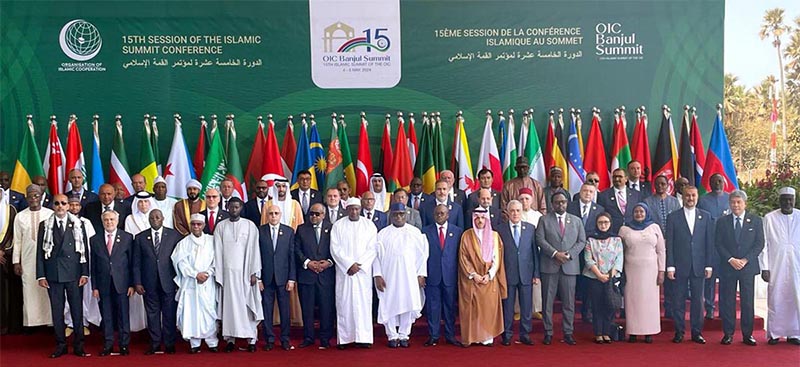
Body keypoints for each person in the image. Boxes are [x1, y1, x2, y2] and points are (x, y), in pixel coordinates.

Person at [36, 194, 90, 358]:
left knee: (77, 311)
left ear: (68, 206)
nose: (60, 206)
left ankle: (79, 345)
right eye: (57, 203)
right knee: (57, 311)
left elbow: (84, 250)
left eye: (63, 203)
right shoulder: (45, 225)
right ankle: (60, 345)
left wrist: (85, 272)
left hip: (74, 274)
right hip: (53, 274)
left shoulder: (78, 224)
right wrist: (41, 275)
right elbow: (40, 252)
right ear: (53, 206)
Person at [374, 203, 428, 348]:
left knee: (408, 303)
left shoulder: (415, 233)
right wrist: (377, 275)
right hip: (388, 276)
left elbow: (423, 256)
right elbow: (376, 257)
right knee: (388, 304)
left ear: (406, 215)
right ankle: (392, 335)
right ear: (391, 215)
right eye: (396, 214)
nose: (399, 217)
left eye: (401, 214)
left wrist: (421, 274)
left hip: (409, 276)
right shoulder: (382, 234)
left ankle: (404, 335)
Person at [536, 192, 586, 345]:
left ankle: (568, 332)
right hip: (550, 266)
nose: (561, 205)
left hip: (569, 267)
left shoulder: (576, 221)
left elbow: (581, 241)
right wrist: (555, 253)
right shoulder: (544, 220)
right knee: (547, 302)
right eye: (557, 202)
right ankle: (548, 332)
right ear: (552, 204)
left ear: (567, 203)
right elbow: (540, 239)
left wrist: (569, 255)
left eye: (563, 202)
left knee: (569, 302)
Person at [214, 197, 264, 353]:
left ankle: (251, 339)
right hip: (228, 275)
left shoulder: (250, 226)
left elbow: (255, 250)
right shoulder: (220, 227)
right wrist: (219, 275)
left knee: (248, 306)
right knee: (230, 308)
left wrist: (255, 272)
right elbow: (217, 251)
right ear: (227, 207)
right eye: (231, 207)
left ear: (241, 207)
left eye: (237, 207)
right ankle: (230, 339)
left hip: (246, 273)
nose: (234, 210)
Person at [666, 185, 713, 344]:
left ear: (697, 197)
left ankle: (696, 332)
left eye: (693, 195)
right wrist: (670, 266)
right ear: (682, 197)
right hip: (680, 265)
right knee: (678, 300)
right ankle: (679, 331)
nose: (690, 198)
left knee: (698, 301)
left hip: (699, 265)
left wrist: (708, 265)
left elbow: (709, 242)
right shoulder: (673, 217)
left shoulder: (705, 216)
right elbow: (670, 244)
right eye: (687, 196)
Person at [714, 190, 762, 346]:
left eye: (738, 202)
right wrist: (730, 259)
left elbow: (759, 244)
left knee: (747, 302)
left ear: (745, 204)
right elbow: (718, 243)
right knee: (728, 302)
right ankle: (728, 333)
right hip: (728, 267)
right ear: (729, 204)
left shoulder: (755, 221)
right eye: (733, 202)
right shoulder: (722, 222)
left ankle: (748, 335)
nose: (735, 205)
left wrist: (745, 260)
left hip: (747, 267)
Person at [330, 198, 378, 349]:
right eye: (351, 209)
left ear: (360, 208)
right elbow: (335, 249)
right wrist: (349, 264)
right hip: (345, 273)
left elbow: (372, 248)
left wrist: (359, 265)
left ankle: (363, 338)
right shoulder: (338, 226)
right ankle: (345, 338)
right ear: (346, 209)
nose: (354, 211)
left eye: (357, 209)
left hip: (362, 273)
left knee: (363, 304)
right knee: (344, 304)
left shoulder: (369, 225)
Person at [133, 209, 181, 354]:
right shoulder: (140, 237)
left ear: (163, 218)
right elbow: (136, 262)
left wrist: (178, 282)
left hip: (168, 282)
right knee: (152, 314)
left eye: (157, 217)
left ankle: (169, 343)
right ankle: (154, 344)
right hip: (148, 283)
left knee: (169, 313)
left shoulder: (174, 235)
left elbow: (178, 261)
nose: (155, 219)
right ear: (148, 219)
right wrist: (137, 282)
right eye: (152, 217)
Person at [458, 207, 507, 346]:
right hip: (472, 280)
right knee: (473, 310)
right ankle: (473, 337)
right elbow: (463, 258)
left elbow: (497, 258)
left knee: (488, 308)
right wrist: (473, 275)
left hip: (489, 279)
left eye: (482, 218)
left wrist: (489, 275)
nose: (480, 221)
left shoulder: (494, 236)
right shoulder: (466, 235)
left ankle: (487, 337)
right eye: (477, 218)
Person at [172, 214, 219, 353]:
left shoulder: (212, 241)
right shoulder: (184, 243)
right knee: (192, 313)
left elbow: (217, 260)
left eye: (199, 224)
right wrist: (194, 274)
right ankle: (195, 344)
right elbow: (180, 262)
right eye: (194, 224)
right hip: (191, 282)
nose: (196, 227)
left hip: (208, 282)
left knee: (209, 311)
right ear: (190, 225)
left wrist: (208, 273)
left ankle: (212, 342)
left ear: (204, 226)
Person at [760, 186, 800, 345]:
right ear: (779, 201)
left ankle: (795, 334)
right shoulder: (769, 218)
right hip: (776, 265)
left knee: (796, 297)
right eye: (784, 200)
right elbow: (763, 245)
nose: (787, 202)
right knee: (776, 297)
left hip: (797, 266)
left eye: (790, 200)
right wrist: (764, 267)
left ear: (794, 200)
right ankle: (775, 333)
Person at [91, 210, 135, 356]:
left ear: (117, 220)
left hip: (122, 283)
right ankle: (108, 344)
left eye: (112, 219)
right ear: (102, 221)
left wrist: (132, 284)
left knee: (123, 315)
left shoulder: (127, 237)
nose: (109, 222)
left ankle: (124, 345)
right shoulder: (95, 239)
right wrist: (95, 286)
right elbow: (93, 265)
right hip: (103, 284)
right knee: (106, 315)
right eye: (106, 220)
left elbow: (132, 263)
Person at [619, 203, 665, 343]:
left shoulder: (654, 227)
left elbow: (661, 251)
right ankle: (633, 332)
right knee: (632, 301)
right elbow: (618, 251)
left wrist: (661, 270)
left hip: (651, 271)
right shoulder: (624, 229)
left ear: (646, 213)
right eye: (636, 211)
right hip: (631, 269)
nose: (639, 214)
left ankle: (649, 332)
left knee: (649, 301)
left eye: (641, 211)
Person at [294, 203, 335, 349]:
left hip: (326, 275)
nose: (314, 216)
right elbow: (296, 249)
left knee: (326, 309)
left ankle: (325, 338)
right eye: (311, 214)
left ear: (323, 214)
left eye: (317, 214)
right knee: (307, 309)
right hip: (307, 275)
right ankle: (308, 337)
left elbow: (337, 248)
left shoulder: (332, 228)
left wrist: (329, 262)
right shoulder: (302, 229)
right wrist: (308, 262)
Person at [422, 204, 463, 347]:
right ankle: (433, 336)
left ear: (448, 215)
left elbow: (459, 255)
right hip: (432, 274)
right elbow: (422, 255)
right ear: (434, 215)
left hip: (450, 276)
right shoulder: (425, 231)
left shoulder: (457, 232)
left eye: (442, 213)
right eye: (437, 213)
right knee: (433, 307)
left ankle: (450, 335)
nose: (440, 216)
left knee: (449, 307)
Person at [498, 200, 539, 346]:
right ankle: (507, 334)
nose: (515, 213)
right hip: (507, 274)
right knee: (507, 307)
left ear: (522, 212)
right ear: (508, 212)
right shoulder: (499, 229)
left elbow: (534, 252)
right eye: (512, 210)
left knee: (526, 306)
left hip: (526, 273)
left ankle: (525, 334)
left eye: (518, 210)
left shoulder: (530, 228)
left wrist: (536, 274)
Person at [12, 184, 53, 329]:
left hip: (47, 259)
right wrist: (16, 262)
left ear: (41, 197)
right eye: (30, 195)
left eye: (36, 195)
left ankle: (50, 322)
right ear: (26, 197)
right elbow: (17, 240)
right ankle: (32, 322)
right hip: (27, 259)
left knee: (47, 290)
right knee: (29, 289)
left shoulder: (49, 214)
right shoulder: (20, 216)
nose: (34, 198)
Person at [258, 204, 296, 351]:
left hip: (284, 278)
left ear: (280, 215)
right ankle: (269, 339)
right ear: (267, 215)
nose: (273, 216)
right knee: (267, 310)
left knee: (285, 310)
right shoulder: (260, 231)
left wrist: (291, 279)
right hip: (266, 278)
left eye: (276, 213)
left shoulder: (289, 231)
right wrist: (259, 278)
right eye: (271, 213)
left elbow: (291, 256)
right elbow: (257, 256)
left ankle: (285, 339)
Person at [584, 212, 624, 344]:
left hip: (611, 278)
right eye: (600, 222)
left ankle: (607, 332)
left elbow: (619, 258)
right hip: (595, 278)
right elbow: (588, 259)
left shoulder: (616, 239)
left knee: (609, 305)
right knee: (597, 306)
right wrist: (599, 275)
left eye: (606, 222)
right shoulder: (591, 239)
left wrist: (611, 275)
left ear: (610, 223)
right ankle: (598, 333)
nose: (603, 225)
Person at [63, 195, 101, 335]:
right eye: (71, 205)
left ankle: (83, 323)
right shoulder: (62, 222)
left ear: (80, 207)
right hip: (68, 265)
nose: (74, 207)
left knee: (85, 294)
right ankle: (70, 323)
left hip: (85, 263)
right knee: (69, 295)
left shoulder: (86, 222)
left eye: (76, 205)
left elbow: (92, 244)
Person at [698, 173, 730, 320]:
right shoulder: (703, 200)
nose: (717, 184)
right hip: (709, 246)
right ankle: (709, 308)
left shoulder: (731, 199)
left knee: (725, 280)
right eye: (714, 181)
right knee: (709, 280)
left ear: (724, 183)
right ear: (709, 184)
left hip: (727, 247)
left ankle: (724, 309)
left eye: (720, 181)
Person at [0, 184, 21, 335]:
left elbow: (15, 234)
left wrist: (2, 250)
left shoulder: (11, 210)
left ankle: (11, 324)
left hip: (6, 256)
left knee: (10, 292)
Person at [598, 168, 642, 233]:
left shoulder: (636, 194)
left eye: (620, 177)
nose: (617, 179)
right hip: (612, 232)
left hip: (633, 231)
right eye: (614, 177)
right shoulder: (603, 195)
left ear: (626, 179)